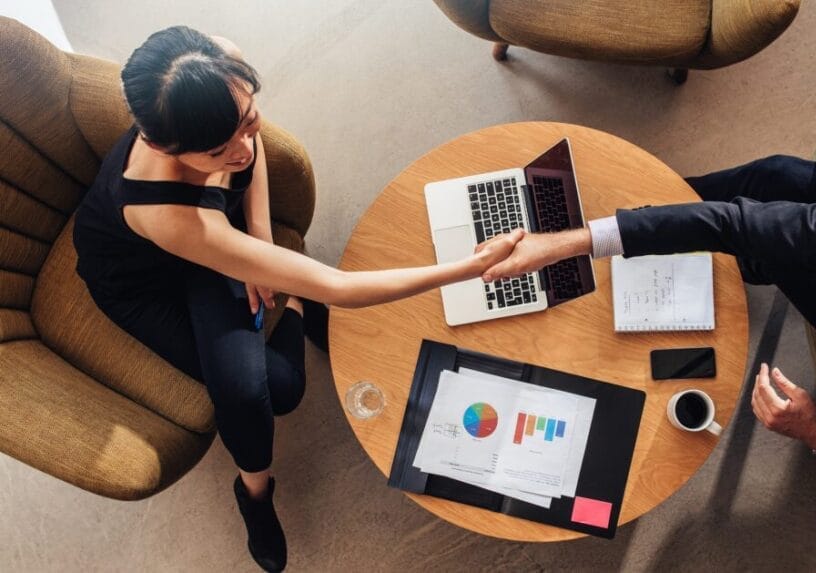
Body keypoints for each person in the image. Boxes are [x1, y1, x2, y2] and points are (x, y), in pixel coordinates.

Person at [72, 26, 522, 572]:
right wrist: (470, 268)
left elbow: (249, 149)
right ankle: (255, 495)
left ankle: (290, 306)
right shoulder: (166, 216)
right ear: (163, 146)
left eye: (248, 121)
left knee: (272, 384)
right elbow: (339, 287)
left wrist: (260, 238)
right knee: (266, 389)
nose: (242, 150)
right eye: (217, 150)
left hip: (221, 237)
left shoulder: (221, 64)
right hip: (143, 280)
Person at [479, 154, 816, 520]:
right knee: (771, 182)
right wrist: (571, 243)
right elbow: (740, 221)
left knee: (767, 255)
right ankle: (657, 214)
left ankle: (733, 265)